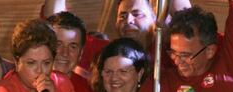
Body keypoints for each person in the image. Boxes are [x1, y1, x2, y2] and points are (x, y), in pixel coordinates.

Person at [42, 0, 191, 73]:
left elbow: (189, 22)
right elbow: (54, 22)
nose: (128, 21)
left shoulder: (169, 51)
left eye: (137, 14)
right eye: (122, 16)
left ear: (155, 20)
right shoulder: (104, 52)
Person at [46, 11, 100, 92]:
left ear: (81, 52)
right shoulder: (23, 85)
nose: (64, 53)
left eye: (72, 46)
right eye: (58, 44)